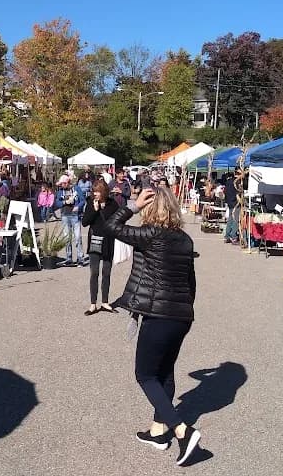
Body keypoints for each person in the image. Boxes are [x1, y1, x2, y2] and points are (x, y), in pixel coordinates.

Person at [103, 186, 201, 466]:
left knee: (145, 375)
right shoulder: (184, 239)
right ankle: (159, 431)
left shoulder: (150, 235)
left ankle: (182, 431)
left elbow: (110, 225)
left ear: (150, 208)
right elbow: (191, 282)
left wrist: (132, 205)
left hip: (159, 316)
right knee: (164, 373)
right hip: (181, 315)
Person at [81, 180, 119, 315]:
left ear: (104, 192)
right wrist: (95, 210)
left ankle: (105, 302)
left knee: (107, 273)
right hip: (95, 241)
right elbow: (85, 222)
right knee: (94, 272)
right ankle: (93, 304)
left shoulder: (112, 204)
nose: (95, 194)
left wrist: (104, 209)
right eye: (94, 191)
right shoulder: (90, 203)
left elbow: (118, 220)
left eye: (98, 191)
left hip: (108, 241)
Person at [54, 175, 86, 267]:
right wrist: (64, 202)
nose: (61, 185)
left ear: (67, 182)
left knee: (77, 238)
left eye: (63, 184)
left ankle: (80, 258)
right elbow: (57, 203)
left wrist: (78, 207)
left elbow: (82, 200)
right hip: (65, 215)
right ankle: (69, 258)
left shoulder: (76, 189)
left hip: (75, 215)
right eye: (61, 184)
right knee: (67, 238)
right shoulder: (60, 191)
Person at [223, 170, 240, 244]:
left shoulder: (228, 181)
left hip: (230, 203)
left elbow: (225, 192)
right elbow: (238, 193)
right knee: (235, 220)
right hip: (236, 203)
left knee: (230, 219)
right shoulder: (237, 182)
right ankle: (233, 236)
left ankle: (227, 236)